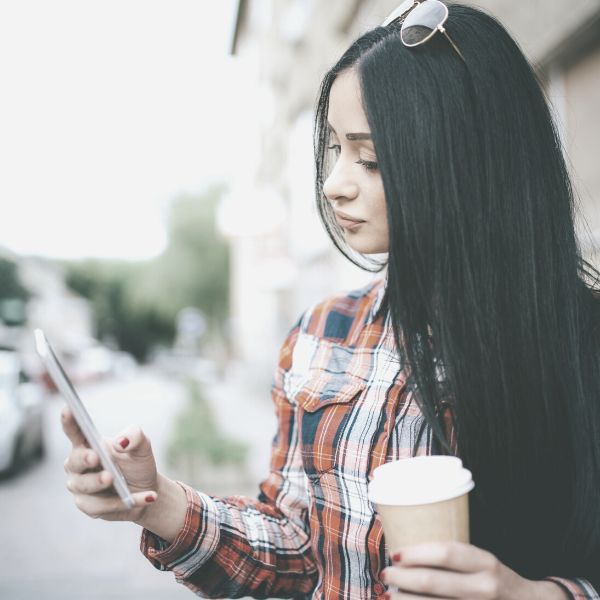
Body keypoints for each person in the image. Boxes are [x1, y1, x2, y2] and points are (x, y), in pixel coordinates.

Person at [61, 2, 600, 598]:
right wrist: (155, 500)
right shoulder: (325, 333)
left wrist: (532, 595)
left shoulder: (580, 340)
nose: (334, 183)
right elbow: (295, 555)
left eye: (369, 159)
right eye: (335, 150)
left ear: (464, 159)